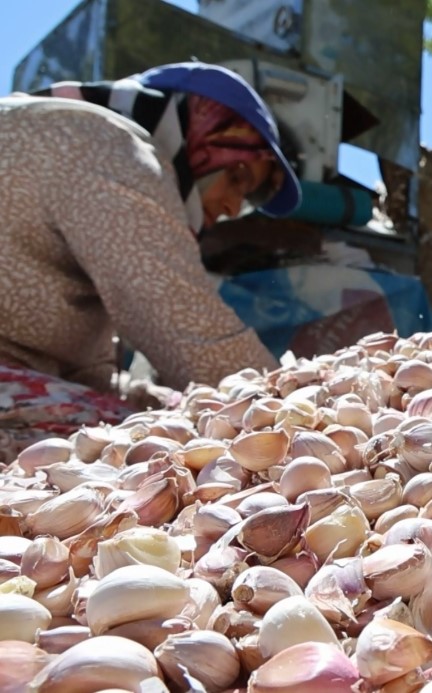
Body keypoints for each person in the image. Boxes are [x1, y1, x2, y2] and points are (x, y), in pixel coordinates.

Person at [0, 61, 301, 463]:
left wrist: (140, 393)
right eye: (238, 176)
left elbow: (78, 367)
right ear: (195, 129)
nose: (233, 207)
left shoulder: (66, 131)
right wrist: (294, 406)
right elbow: (190, 337)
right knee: (136, 443)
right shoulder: (111, 146)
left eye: (249, 198)